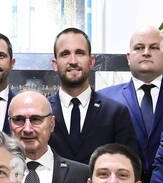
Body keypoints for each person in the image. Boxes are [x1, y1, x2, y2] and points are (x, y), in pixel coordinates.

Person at [97, 26, 163, 183]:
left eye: (154, 47)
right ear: (128, 57)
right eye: (139, 48)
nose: (146, 52)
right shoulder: (105, 98)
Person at [47, 28, 135, 166]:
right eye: (65, 54)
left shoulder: (116, 113)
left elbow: (128, 165)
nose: (73, 60)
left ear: (91, 61)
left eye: (80, 53)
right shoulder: (41, 113)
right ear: (54, 64)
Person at [8, 90, 91, 183]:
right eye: (19, 120)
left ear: (52, 124)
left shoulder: (82, 175)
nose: (27, 129)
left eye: (36, 119)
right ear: (10, 124)